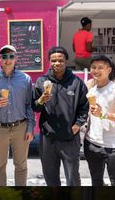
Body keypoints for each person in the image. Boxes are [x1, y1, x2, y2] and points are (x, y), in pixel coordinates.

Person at [33, 46, 88, 186]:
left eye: (60, 60)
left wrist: (76, 126)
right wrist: (41, 101)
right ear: (49, 62)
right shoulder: (42, 81)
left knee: (73, 178)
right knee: (50, 177)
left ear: (66, 61)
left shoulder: (76, 83)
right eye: (53, 60)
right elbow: (34, 107)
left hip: (70, 137)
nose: (57, 63)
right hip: (48, 137)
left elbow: (84, 108)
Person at [0, 45, 35, 186]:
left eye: (11, 56)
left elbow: (29, 105)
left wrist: (30, 128)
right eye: (4, 56)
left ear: (16, 59)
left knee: (21, 166)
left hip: (21, 127)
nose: (8, 60)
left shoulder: (25, 79)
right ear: (0, 59)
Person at [84, 55, 115, 185]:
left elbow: (102, 115)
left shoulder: (114, 89)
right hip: (92, 144)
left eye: (100, 67)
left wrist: (103, 115)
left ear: (109, 70)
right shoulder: (91, 91)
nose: (96, 70)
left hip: (113, 146)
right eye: (93, 67)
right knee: (96, 181)